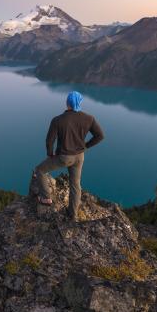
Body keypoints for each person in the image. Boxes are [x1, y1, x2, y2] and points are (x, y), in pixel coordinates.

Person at [34, 91, 104, 220]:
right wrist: (86, 146)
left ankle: (45, 198)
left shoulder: (57, 120)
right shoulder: (89, 118)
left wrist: (50, 153)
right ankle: (73, 215)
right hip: (79, 157)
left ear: (67, 103)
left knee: (40, 170)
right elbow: (100, 136)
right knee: (75, 185)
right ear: (80, 102)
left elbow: (49, 140)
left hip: (64, 157)